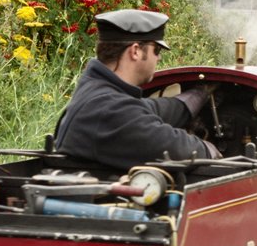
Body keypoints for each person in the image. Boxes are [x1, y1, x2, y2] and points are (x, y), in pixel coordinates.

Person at [54, 9, 219, 170]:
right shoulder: (109, 110)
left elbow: (146, 108)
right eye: (157, 50)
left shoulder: (96, 91)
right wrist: (209, 149)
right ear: (135, 51)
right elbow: (175, 148)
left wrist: (194, 98)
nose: (159, 57)